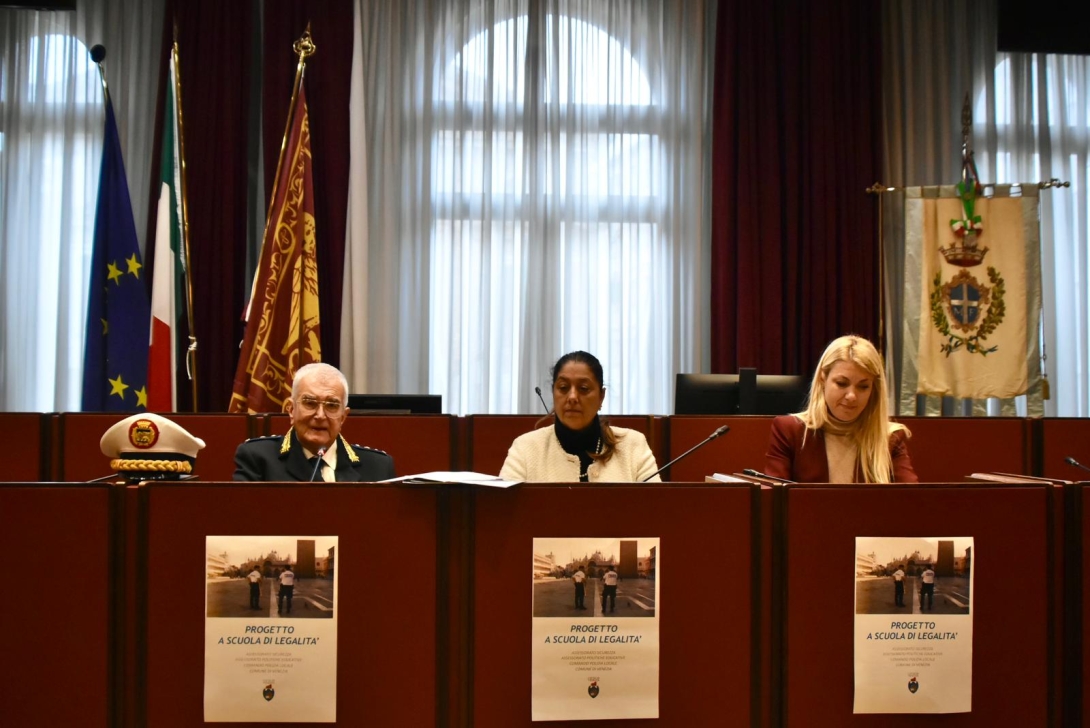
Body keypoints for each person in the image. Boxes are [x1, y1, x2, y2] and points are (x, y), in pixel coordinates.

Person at [764, 335, 917, 483]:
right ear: (822, 379)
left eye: (863, 387)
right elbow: (774, 502)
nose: (852, 396)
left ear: (873, 390)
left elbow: (913, 501)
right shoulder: (790, 431)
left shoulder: (891, 438)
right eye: (842, 383)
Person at [499, 351, 661, 482]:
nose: (572, 397)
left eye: (583, 388)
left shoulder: (633, 445)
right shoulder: (525, 448)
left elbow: (656, 512)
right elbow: (504, 515)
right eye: (563, 387)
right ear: (553, 392)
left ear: (601, 396)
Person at [233, 363, 396, 482]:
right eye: (310, 403)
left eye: (332, 406)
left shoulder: (377, 467)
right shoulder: (259, 459)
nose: (320, 415)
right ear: (291, 409)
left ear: (343, 417)